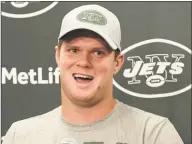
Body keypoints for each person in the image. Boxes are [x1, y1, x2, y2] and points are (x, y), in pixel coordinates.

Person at [2, 4, 184, 144]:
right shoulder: (21, 136)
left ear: (117, 62)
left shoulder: (152, 133)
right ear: (58, 55)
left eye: (98, 53)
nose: (84, 62)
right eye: (74, 50)